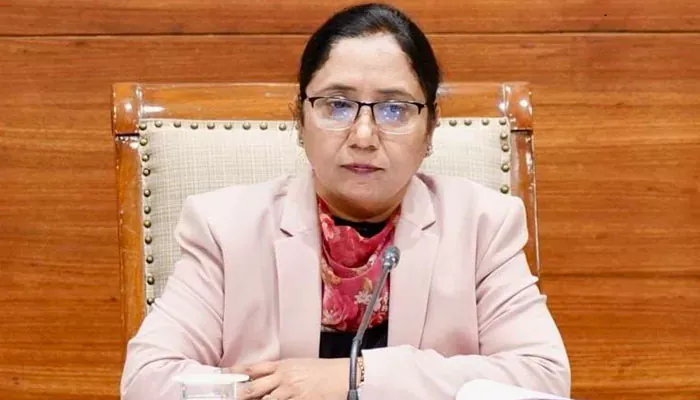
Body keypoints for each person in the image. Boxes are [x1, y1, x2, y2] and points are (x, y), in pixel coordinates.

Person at [120, 3, 570, 399]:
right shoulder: (223, 228)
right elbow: (147, 380)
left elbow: (542, 378)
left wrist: (355, 377)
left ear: (431, 130)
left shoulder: (484, 226)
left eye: (394, 109)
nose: (363, 136)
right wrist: (279, 390)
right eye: (337, 105)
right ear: (300, 121)